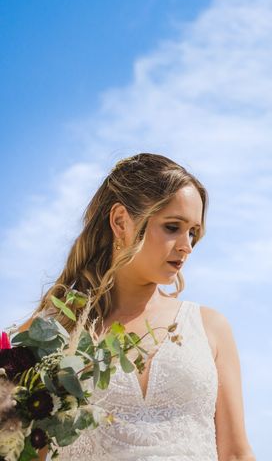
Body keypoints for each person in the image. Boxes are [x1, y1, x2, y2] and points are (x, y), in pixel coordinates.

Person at [16, 153, 256, 460]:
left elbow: (235, 453)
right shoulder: (53, 333)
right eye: (172, 227)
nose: (187, 246)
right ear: (120, 221)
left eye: (193, 232)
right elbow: (24, 448)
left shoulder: (211, 328)